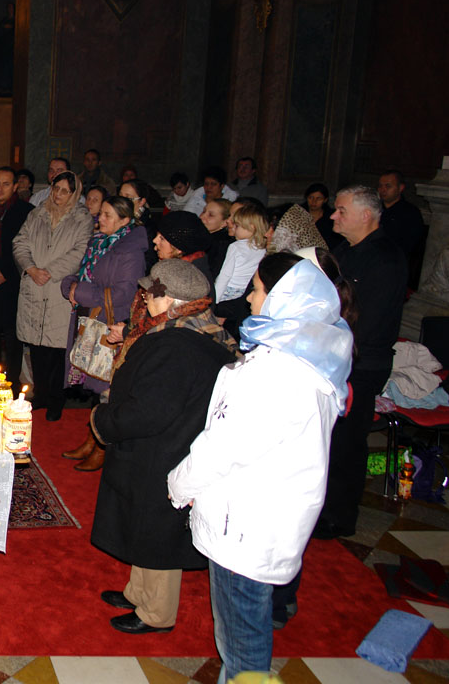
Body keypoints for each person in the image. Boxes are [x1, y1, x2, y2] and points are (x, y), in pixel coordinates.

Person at [169, 254, 353, 681]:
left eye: (256, 289)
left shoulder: (279, 372)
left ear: (283, 299)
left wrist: (180, 484)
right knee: (243, 631)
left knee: (242, 642)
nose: (249, 298)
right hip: (265, 510)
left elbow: (225, 445)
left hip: (248, 522)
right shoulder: (305, 356)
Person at [92, 259, 236, 635]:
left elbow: (150, 410)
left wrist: (104, 421)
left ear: (168, 300)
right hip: (160, 445)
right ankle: (138, 591)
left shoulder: (177, 345)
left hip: (164, 449)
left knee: (156, 530)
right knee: (141, 521)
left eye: (149, 293)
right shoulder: (184, 329)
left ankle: (156, 613)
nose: (142, 298)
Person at [315, 185, 407, 538]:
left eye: (340, 210)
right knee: (328, 437)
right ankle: (322, 505)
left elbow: (369, 320)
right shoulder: (345, 250)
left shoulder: (384, 258)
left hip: (360, 362)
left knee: (347, 441)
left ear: (366, 215)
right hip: (334, 354)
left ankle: (340, 516)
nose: (333, 215)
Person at [60, 195, 148, 470]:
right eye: (102, 213)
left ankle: (101, 447)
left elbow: (124, 293)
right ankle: (91, 439)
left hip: (111, 324)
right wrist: (70, 285)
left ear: (124, 221)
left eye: (108, 215)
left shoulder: (130, 251)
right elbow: (81, 274)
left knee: (107, 389)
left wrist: (81, 291)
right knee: (95, 387)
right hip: (90, 318)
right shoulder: (99, 242)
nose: (101, 219)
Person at [13, 171, 92, 420]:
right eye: (55, 188)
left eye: (64, 191)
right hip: (35, 287)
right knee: (37, 348)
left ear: (74, 193)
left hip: (59, 290)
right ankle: (42, 395)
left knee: (58, 350)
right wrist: (31, 268)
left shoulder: (82, 218)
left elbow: (81, 250)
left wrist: (50, 271)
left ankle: (57, 400)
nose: (58, 195)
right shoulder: (37, 213)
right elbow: (20, 243)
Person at [0, 168, 34, 390]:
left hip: (12, 280)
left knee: (13, 336)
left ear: (15, 187)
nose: (0, 188)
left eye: (6, 184)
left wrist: (7, 273)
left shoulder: (25, 211)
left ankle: (11, 383)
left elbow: (28, 248)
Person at [215, 200, 268, 303]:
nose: (234, 229)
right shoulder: (262, 247)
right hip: (244, 291)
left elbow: (225, 275)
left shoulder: (235, 247)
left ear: (252, 227)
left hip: (228, 289)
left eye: (237, 226)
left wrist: (215, 298)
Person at [151, 210, 214, 297]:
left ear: (178, 249)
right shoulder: (182, 267)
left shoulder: (189, 282)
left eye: (161, 238)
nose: (154, 240)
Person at [377, 170, 425, 260]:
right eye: (380, 186)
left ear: (400, 188)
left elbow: (410, 245)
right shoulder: (373, 208)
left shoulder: (410, 213)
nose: (383, 190)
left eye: (388, 186)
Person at [119, 179, 159, 272]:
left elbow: (149, 262)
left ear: (141, 202)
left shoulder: (147, 228)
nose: (121, 202)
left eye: (128, 198)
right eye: (120, 196)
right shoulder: (115, 219)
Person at [200, 198, 233, 280]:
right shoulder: (203, 236)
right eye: (204, 211)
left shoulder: (220, 245)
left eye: (210, 215)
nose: (202, 217)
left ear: (225, 222)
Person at [303, 183, 341, 251]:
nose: (314, 202)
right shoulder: (298, 215)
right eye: (311, 197)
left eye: (319, 198)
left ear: (325, 200)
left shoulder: (331, 217)